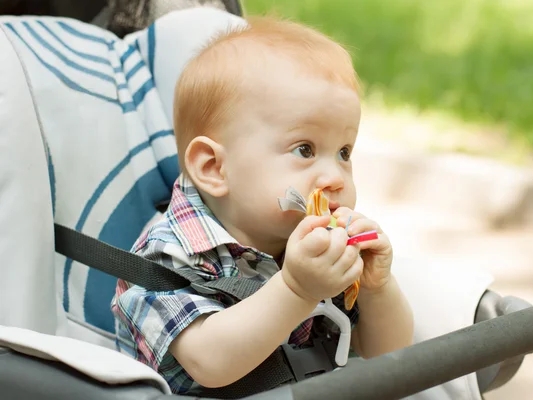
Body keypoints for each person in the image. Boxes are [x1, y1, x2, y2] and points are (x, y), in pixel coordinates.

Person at [111, 15, 413, 395]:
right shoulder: (165, 257)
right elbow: (210, 362)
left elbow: (391, 353)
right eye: (305, 149)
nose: (335, 177)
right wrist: (297, 290)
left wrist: (377, 288)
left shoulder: (307, 246)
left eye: (344, 152)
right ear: (214, 167)